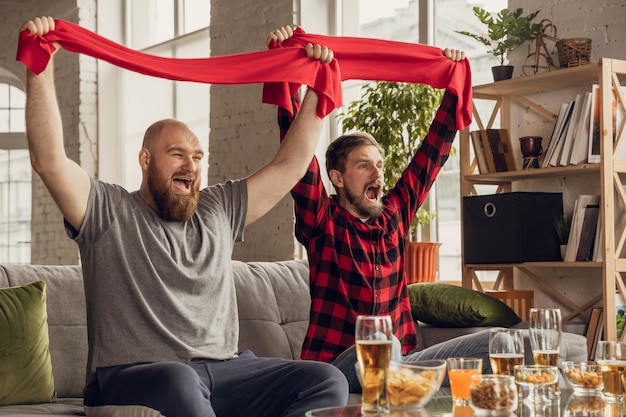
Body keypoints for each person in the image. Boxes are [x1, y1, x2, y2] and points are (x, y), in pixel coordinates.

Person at [21, 16, 348, 417]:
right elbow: (50, 161)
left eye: (196, 156)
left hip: (228, 370)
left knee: (326, 379)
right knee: (179, 379)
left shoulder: (219, 209)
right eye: (176, 154)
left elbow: (289, 166)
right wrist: (41, 64)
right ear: (145, 160)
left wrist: (317, 89)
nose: (190, 165)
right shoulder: (109, 211)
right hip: (134, 375)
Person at [267, 26, 491, 392]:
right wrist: (291, 78)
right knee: (380, 346)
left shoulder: (395, 214)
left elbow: (433, 153)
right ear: (337, 178)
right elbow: (297, 156)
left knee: (499, 343)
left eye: (380, 165)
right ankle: (419, 383)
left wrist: (455, 80)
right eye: (363, 165)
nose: (378, 173)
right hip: (338, 369)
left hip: (400, 362)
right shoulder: (321, 220)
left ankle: (411, 383)